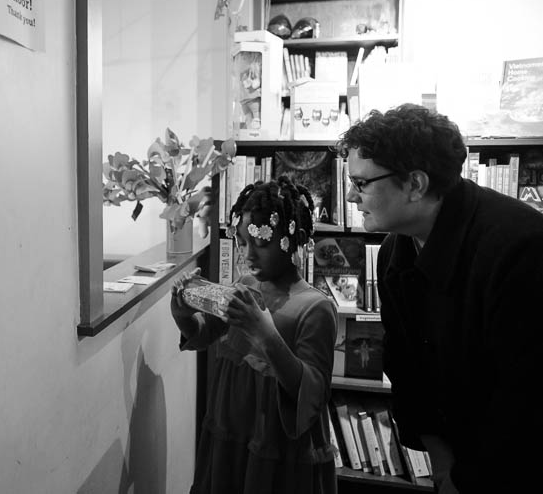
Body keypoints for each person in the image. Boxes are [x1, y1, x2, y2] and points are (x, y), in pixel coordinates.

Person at [335, 103, 543, 493]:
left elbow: (523, 398)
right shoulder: (395, 251)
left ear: (415, 184)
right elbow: (406, 366)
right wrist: (440, 459)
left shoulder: (521, 247)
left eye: (361, 183)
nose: (349, 196)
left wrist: (464, 480)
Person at [171, 178, 338, 494]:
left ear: (295, 239)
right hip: (231, 427)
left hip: (275, 441)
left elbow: (312, 392)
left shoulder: (315, 307)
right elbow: (207, 333)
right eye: (242, 242)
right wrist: (183, 315)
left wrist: (264, 333)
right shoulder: (246, 284)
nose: (248, 254)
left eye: (260, 243)